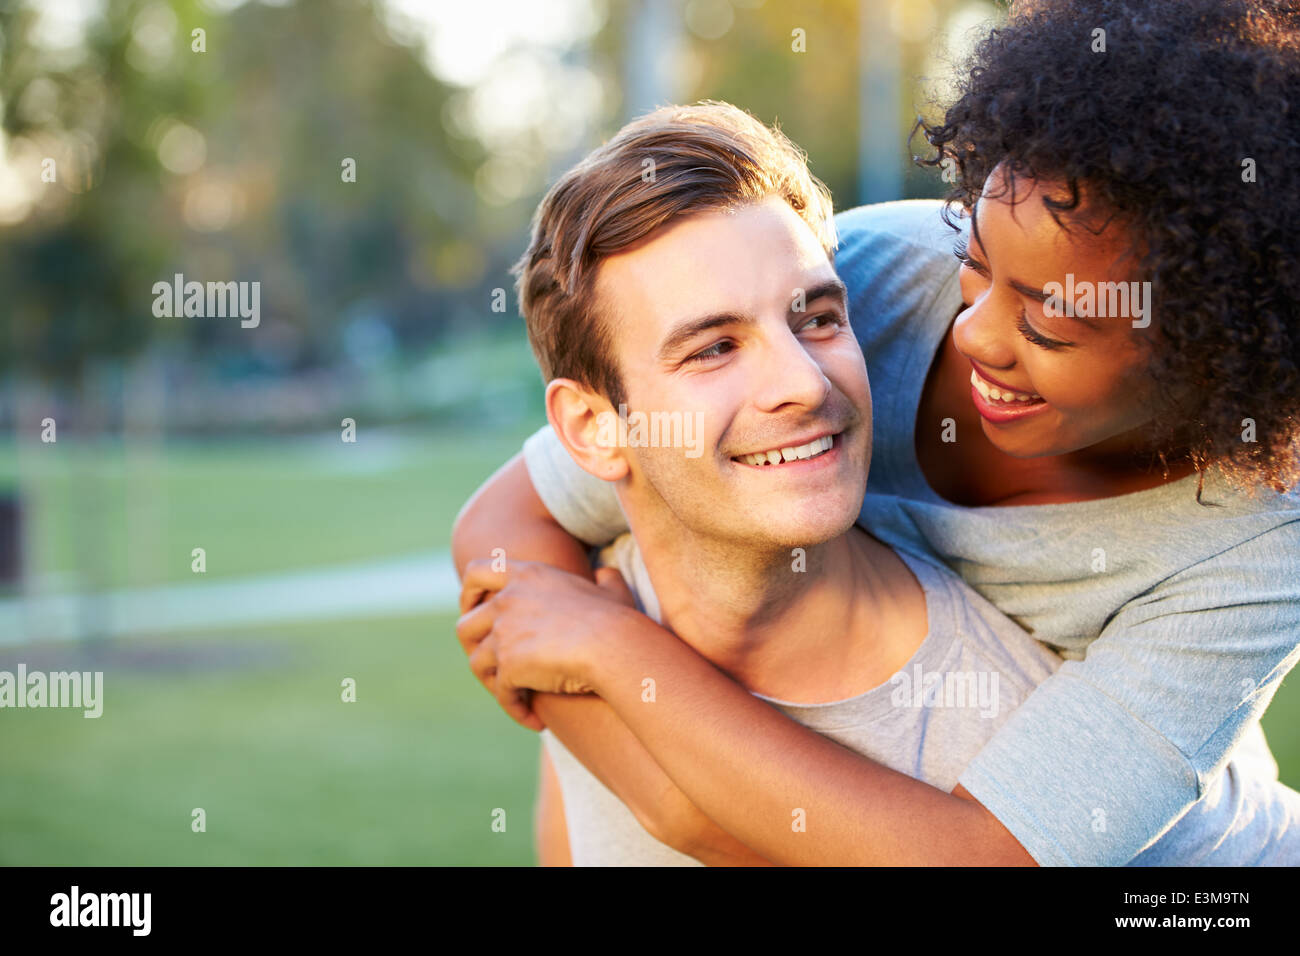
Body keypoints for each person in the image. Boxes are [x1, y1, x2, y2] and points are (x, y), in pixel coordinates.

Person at [454, 0, 1300, 865]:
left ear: (1210, 353)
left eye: (1047, 327)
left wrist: (622, 678)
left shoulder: (1262, 541)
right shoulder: (866, 278)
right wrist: (615, 720)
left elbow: (982, 856)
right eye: (974, 267)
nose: (971, 334)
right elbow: (503, 535)